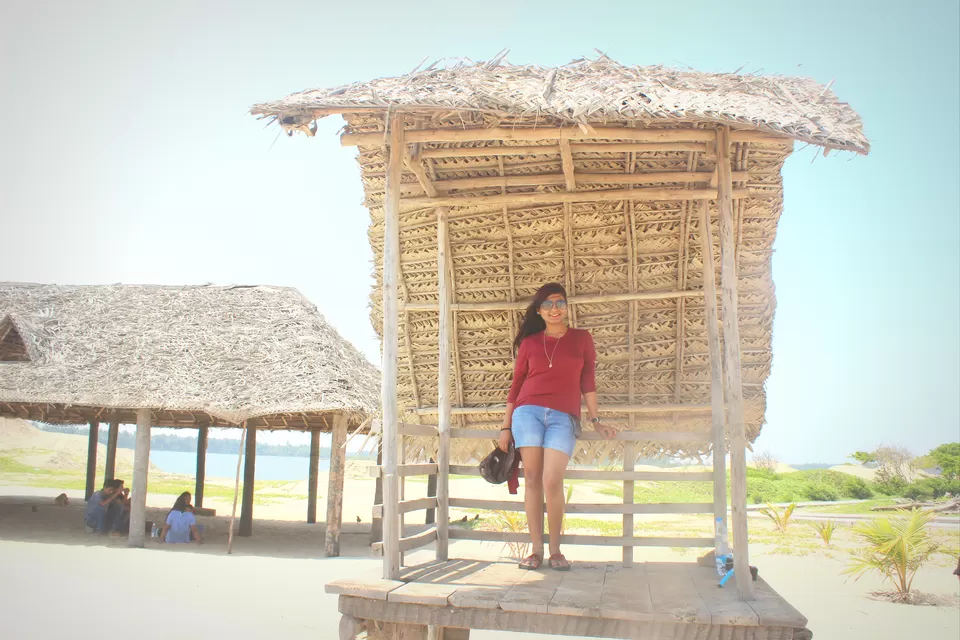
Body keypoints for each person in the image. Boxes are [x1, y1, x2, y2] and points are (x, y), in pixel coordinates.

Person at [497, 283, 615, 571]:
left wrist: (596, 420)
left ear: (566, 307)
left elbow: (588, 380)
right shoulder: (530, 343)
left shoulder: (581, 339)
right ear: (539, 311)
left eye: (559, 303)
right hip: (528, 413)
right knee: (533, 479)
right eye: (548, 304)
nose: (554, 309)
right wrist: (505, 426)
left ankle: (556, 550)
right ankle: (535, 550)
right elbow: (516, 385)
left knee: (552, 480)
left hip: (564, 415)